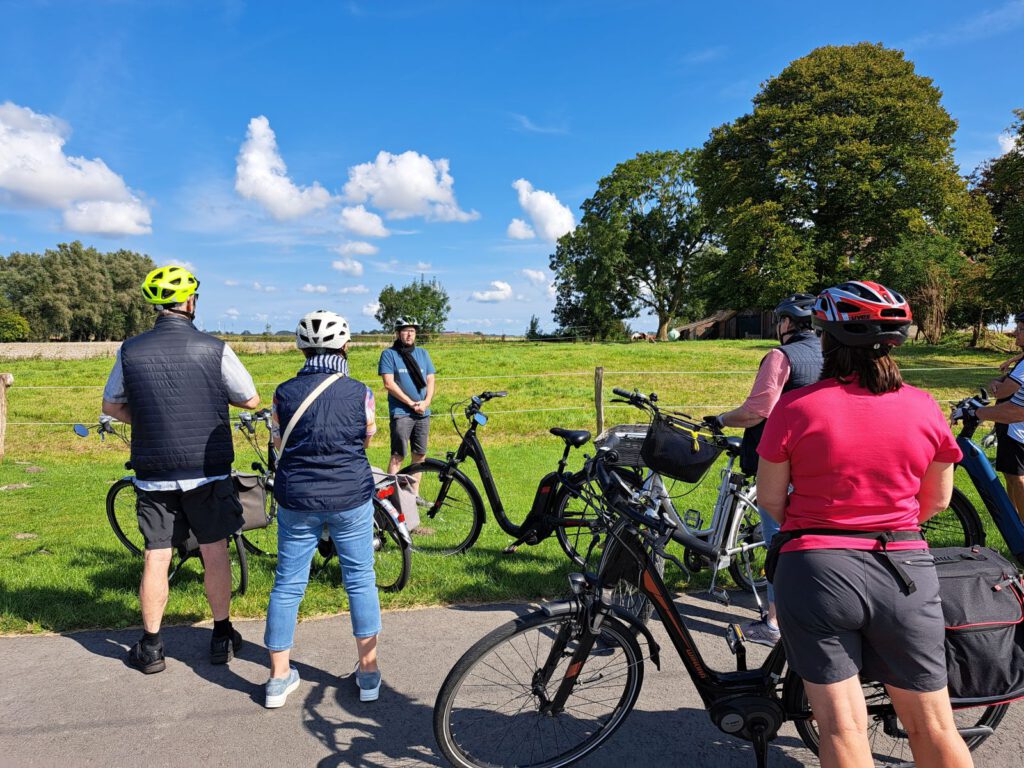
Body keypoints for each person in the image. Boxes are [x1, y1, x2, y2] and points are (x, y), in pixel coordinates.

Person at [757, 281, 972, 768]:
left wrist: (822, 529)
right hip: (903, 569)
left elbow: (770, 499)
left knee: (842, 728)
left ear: (827, 340)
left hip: (815, 570)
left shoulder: (796, 407)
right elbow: (936, 499)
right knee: (934, 725)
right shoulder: (924, 407)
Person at [101, 265, 260, 674]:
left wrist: (151, 420)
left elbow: (111, 406)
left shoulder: (130, 350)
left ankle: (152, 646)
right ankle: (222, 635)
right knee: (214, 550)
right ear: (190, 303)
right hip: (206, 470)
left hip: (153, 470)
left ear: (157, 305)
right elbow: (250, 399)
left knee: (156, 555)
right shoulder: (215, 348)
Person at [263, 310, 382, 709]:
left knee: (287, 584)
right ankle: (368, 673)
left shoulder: (284, 392)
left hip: (297, 498)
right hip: (350, 497)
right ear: (345, 347)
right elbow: (366, 438)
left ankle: (278, 678)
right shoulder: (361, 391)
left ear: (301, 347)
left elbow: (278, 441)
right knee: (361, 580)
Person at [704, 293, 822, 646]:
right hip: (819, 464)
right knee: (811, 541)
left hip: (782, 464)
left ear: (786, 324)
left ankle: (774, 625)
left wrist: (721, 419)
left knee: (778, 545)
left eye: (779, 321)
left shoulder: (780, 357)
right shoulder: (829, 353)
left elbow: (758, 411)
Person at [980, 312, 1024, 521]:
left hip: (1015, 428)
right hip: (1011, 427)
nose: (1015, 332)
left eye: (1021, 329)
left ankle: (1020, 531)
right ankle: (1014, 523)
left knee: (1018, 478)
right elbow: (1004, 383)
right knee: (1011, 476)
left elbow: (1003, 391)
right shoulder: (1022, 360)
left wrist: (998, 386)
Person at [378, 318, 436, 475]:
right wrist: (411, 403)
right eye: (405, 331)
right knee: (398, 456)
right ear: (397, 333)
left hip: (423, 412)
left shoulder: (423, 353)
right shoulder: (389, 355)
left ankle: (412, 495)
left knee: (420, 456)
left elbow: (430, 379)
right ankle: (391, 496)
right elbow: (389, 384)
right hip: (401, 412)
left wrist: (426, 402)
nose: (409, 334)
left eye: (412, 331)